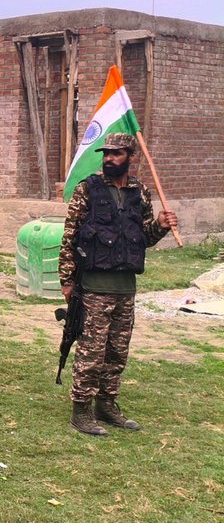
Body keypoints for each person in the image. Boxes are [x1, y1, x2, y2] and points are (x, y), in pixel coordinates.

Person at [60, 132, 176, 436]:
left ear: (131, 157)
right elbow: (69, 236)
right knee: (91, 351)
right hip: (94, 286)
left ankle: (107, 403)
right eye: (106, 153)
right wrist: (67, 280)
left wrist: (161, 227)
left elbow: (143, 237)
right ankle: (81, 410)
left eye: (117, 153)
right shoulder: (88, 189)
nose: (109, 158)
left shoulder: (141, 192)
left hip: (125, 287)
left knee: (117, 351)